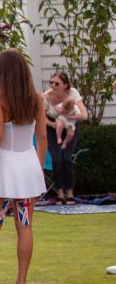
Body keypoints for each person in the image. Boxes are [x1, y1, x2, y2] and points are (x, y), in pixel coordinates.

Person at [0, 49, 46, 284]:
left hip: (4, 168)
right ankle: (21, 282)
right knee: (24, 226)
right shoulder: (36, 99)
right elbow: (42, 138)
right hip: (27, 167)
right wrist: (37, 166)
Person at [43, 71, 87, 204]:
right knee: (56, 159)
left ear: (66, 85)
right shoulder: (45, 96)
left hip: (69, 127)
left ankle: (70, 192)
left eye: (57, 83)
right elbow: (41, 117)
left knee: (67, 159)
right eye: (51, 82)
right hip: (52, 128)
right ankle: (60, 192)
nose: (53, 86)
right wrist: (53, 124)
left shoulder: (73, 93)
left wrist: (70, 117)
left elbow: (85, 115)